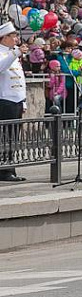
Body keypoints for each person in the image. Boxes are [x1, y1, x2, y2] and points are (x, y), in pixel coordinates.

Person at [0, 22, 26, 181]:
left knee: (13, 137)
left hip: (16, 101)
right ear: (4, 38)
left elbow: (20, 79)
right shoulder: (6, 54)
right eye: (13, 36)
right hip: (4, 100)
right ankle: (4, 170)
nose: (16, 39)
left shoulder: (11, 54)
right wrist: (15, 54)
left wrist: (24, 102)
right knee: (6, 136)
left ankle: (10, 169)